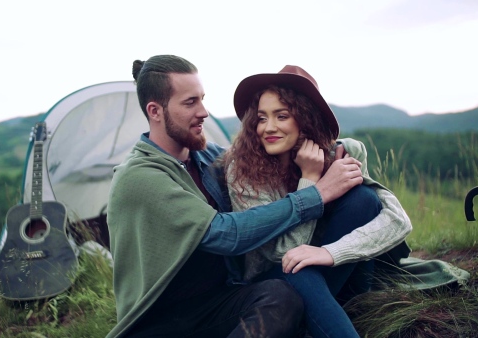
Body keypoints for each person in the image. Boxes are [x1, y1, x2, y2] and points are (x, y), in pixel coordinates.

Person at [105, 55, 366, 338]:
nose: (204, 111)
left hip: (218, 304)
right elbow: (225, 234)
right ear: (155, 111)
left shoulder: (208, 157)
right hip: (161, 322)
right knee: (289, 285)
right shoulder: (139, 176)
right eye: (190, 102)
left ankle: (357, 313)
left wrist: (333, 152)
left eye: (202, 99)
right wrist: (317, 194)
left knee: (281, 295)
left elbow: (264, 152)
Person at [222, 65, 413, 337]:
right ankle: (324, 317)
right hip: (273, 284)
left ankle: (331, 312)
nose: (268, 127)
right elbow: (280, 254)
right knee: (298, 266)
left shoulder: (344, 151)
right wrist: (310, 181)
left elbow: (396, 219)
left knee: (363, 199)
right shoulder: (243, 169)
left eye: (282, 116)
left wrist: (329, 253)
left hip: (335, 271)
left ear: (306, 117)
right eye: (262, 118)